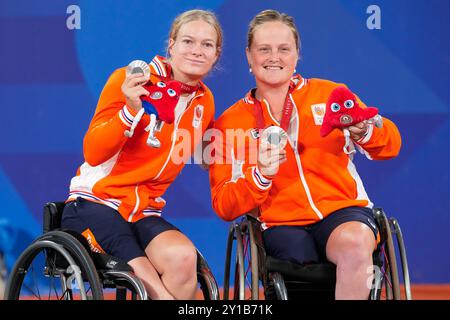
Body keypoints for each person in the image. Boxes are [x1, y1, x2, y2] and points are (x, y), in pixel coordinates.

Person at [209, 9, 401, 300]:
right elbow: (224, 204)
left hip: (342, 211)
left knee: (355, 243)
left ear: (297, 53)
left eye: (284, 49)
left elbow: (391, 144)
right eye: (264, 49)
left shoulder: (331, 95)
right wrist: (258, 177)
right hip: (281, 224)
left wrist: (364, 130)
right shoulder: (229, 123)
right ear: (249, 56)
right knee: (298, 262)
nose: (274, 57)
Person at [62, 9, 222, 300]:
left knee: (184, 258)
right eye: (188, 41)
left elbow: (207, 154)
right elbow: (93, 152)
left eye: (207, 44)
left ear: (216, 54)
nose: (197, 51)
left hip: (144, 212)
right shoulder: (130, 81)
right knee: (152, 288)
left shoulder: (204, 101)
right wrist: (130, 111)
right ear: (171, 44)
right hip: (96, 203)